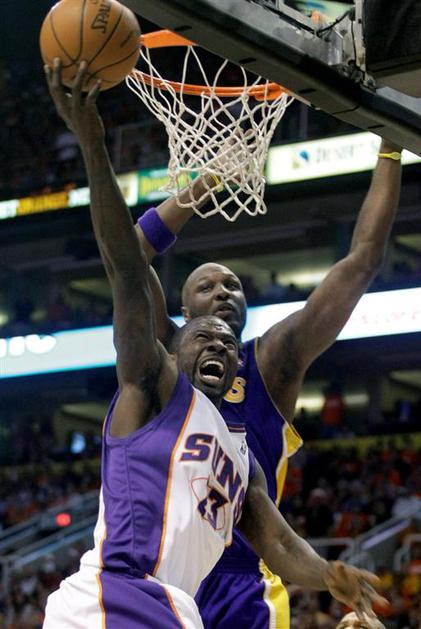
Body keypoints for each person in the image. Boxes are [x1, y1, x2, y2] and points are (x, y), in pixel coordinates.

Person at [43, 60, 386, 628]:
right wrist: (93, 141)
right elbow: (126, 266)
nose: (220, 346)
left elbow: (279, 542)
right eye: (204, 334)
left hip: (170, 607)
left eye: (229, 344)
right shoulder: (152, 382)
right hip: (118, 594)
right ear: (174, 342)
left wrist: (328, 574)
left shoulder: (241, 458)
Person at [135, 115, 403, 625]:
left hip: (243, 581)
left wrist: (391, 146)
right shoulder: (162, 354)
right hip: (161, 573)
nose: (223, 291)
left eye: (233, 286)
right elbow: (131, 253)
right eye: (207, 286)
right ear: (183, 312)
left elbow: (363, 260)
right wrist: (205, 182)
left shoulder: (272, 360)